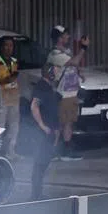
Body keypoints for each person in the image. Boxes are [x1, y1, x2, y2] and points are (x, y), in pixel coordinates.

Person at [44, 24, 86, 160]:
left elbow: (74, 65)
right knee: (60, 124)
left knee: (68, 122)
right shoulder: (55, 54)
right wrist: (83, 48)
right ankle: (55, 151)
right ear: (59, 38)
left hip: (71, 93)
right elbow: (74, 62)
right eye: (65, 35)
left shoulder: (66, 52)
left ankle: (65, 150)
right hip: (62, 94)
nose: (68, 36)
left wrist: (79, 73)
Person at [0, 35, 21, 157]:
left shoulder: (14, 61)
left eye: (11, 45)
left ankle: (11, 151)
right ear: (1, 47)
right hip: (0, 98)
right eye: (6, 45)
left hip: (13, 97)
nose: (8, 48)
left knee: (14, 126)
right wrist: (4, 80)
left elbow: (15, 78)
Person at [29, 67, 60, 201]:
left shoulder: (49, 87)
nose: (56, 74)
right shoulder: (41, 86)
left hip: (50, 131)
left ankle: (38, 193)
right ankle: (35, 195)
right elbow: (34, 106)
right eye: (55, 71)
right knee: (39, 164)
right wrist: (42, 125)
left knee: (43, 163)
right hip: (43, 133)